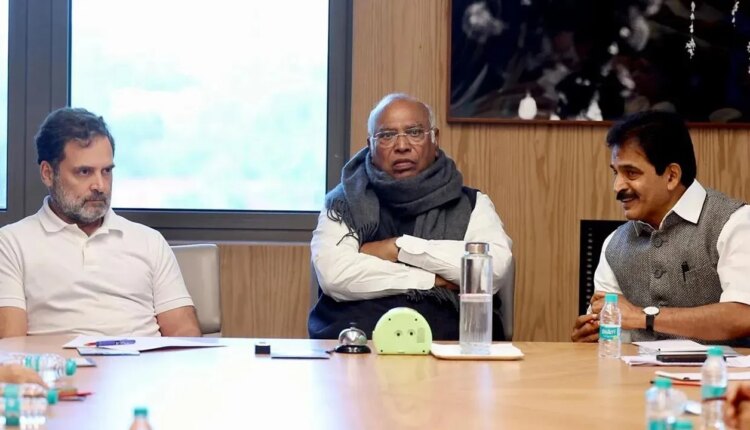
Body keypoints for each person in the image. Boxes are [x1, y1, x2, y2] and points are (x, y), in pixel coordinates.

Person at [308, 93, 513, 340]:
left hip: (454, 344)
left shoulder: (472, 204)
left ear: (435, 139)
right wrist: (434, 279)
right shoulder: (343, 202)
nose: (402, 146)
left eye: (415, 132)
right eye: (387, 135)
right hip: (356, 344)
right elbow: (335, 276)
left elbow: (489, 270)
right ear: (370, 145)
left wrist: (398, 248)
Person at [0, 107, 201, 337]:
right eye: (84, 172)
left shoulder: (149, 241)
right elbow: (11, 344)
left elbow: (184, 333)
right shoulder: (11, 243)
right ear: (47, 173)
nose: (100, 186)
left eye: (106, 171)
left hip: (141, 358)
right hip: (59, 360)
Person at [571, 110, 750, 344]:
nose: (617, 186)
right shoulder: (614, 244)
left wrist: (643, 317)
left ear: (671, 176)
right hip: (634, 369)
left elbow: (743, 315)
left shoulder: (735, 222)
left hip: (719, 368)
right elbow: (611, 336)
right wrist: (591, 339)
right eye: (615, 172)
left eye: (631, 173)